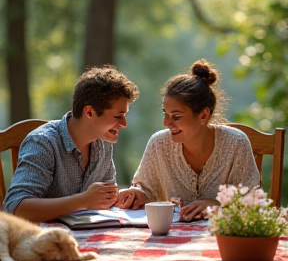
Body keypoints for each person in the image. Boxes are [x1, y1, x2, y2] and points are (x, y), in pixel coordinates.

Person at [115, 59, 260, 221]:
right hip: (171, 239)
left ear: (203, 115)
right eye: (165, 114)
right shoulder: (159, 144)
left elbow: (251, 201)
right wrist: (138, 195)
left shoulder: (236, 143)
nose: (166, 123)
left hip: (223, 239)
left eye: (176, 116)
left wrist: (217, 205)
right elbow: (147, 190)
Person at [3, 65, 139, 223]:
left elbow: (100, 200)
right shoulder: (43, 143)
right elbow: (15, 209)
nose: (124, 123)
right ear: (89, 112)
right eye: (118, 116)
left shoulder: (103, 144)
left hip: (87, 239)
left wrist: (119, 198)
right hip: (43, 242)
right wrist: (82, 201)